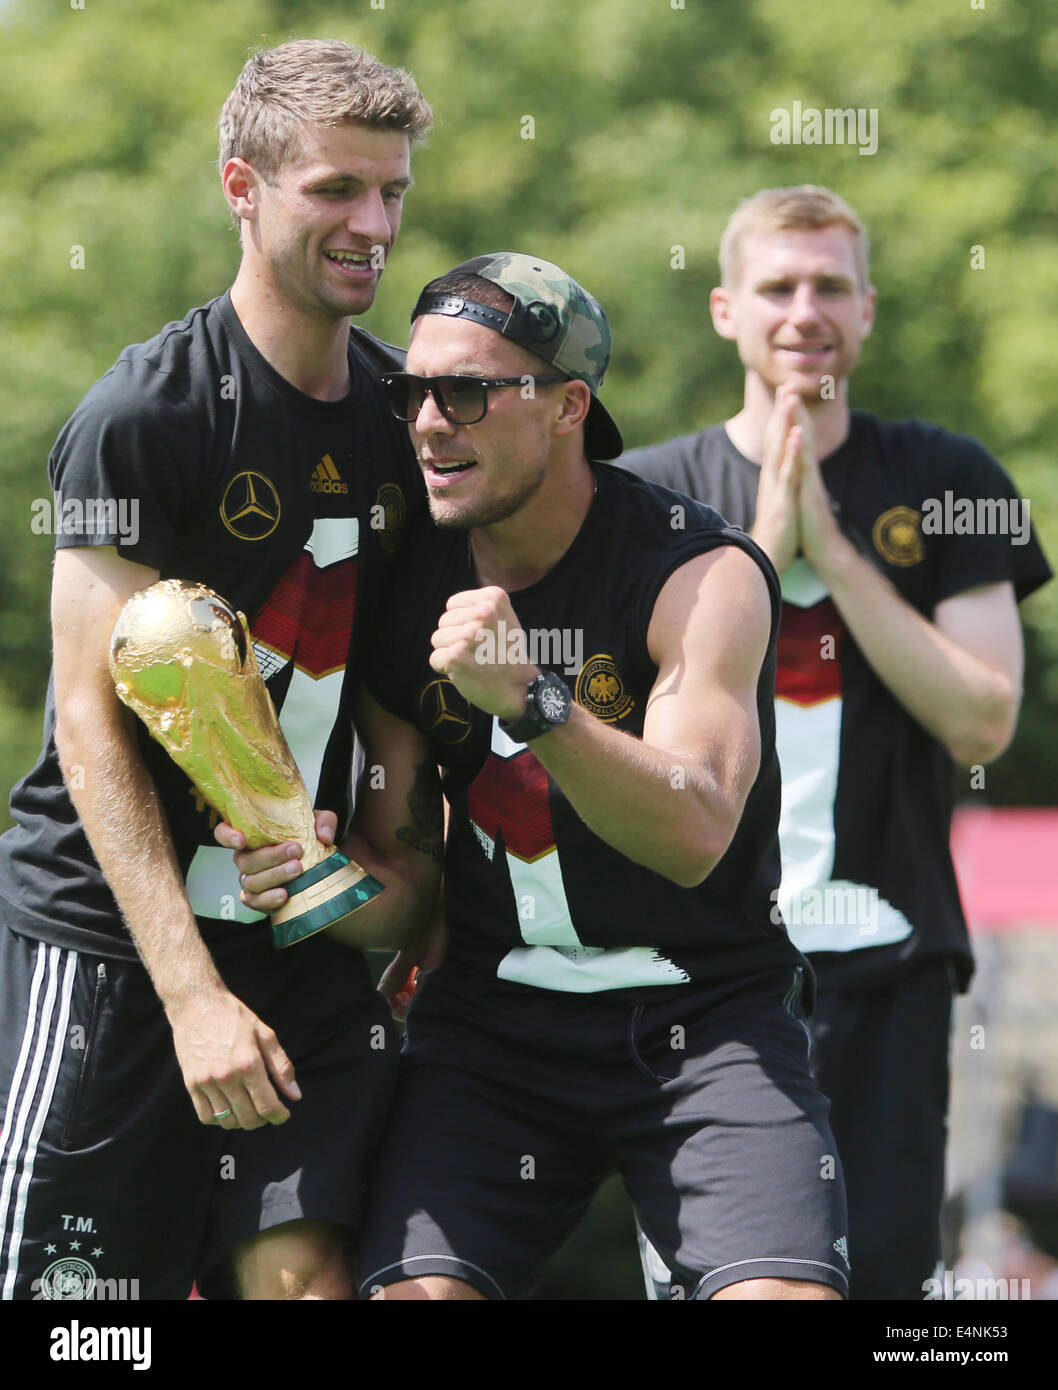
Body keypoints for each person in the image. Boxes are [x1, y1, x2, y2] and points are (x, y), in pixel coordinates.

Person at [233, 252, 851, 1301]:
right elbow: (411, 888)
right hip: (493, 1030)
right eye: (412, 391)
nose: (429, 420)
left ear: (567, 405)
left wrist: (534, 697)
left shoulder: (697, 572)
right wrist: (316, 877)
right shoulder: (403, 588)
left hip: (705, 1016)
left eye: (466, 390)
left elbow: (694, 828)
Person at [0, 39, 432, 1301]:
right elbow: (88, 719)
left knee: (307, 1287)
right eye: (336, 191)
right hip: (118, 949)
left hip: (302, 944)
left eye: (393, 192)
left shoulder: (409, 427)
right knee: (82, 1325)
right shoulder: (150, 413)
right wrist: (189, 997)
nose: (373, 225)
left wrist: (410, 906)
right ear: (243, 188)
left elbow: (409, 718)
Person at [623, 186, 1053, 1299]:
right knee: (712, 1281)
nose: (801, 310)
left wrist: (840, 553)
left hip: (890, 969)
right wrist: (765, 550)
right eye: (775, 285)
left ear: (865, 310)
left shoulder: (946, 480)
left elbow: (981, 719)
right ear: (725, 309)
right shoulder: (649, 497)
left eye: (828, 286)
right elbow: (626, 738)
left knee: (883, 1288)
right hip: (703, 977)